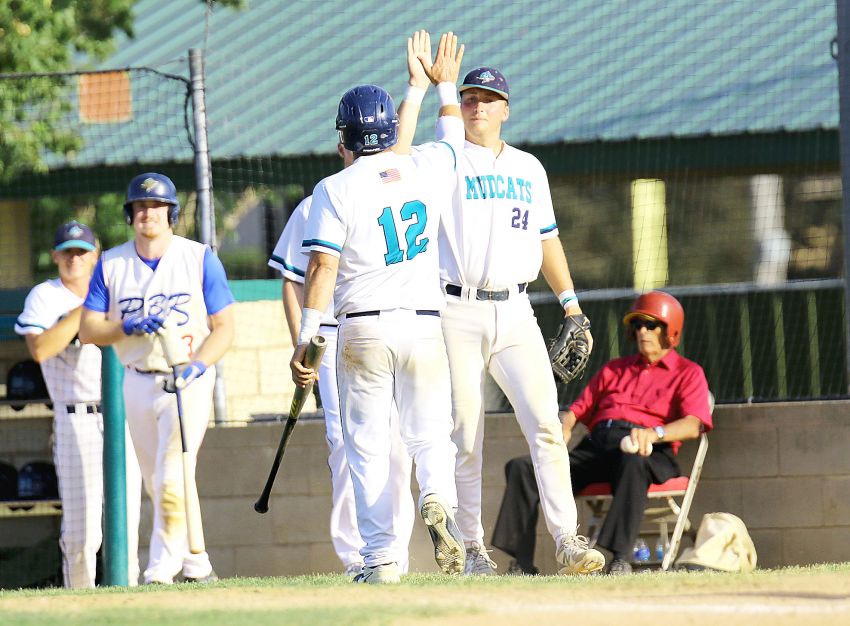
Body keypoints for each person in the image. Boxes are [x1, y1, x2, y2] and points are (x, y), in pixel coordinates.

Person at [290, 33, 466, 585]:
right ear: (390, 132)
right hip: (424, 323)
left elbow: (321, 268)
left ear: (345, 137)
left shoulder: (333, 189)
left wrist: (310, 340)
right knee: (430, 436)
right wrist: (437, 86)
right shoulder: (425, 169)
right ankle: (438, 496)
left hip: (362, 329)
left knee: (366, 448)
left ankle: (382, 558)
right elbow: (452, 137)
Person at [433, 66, 604, 575]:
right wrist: (435, 89)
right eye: (468, 98)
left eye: (488, 99)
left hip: (515, 308)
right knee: (466, 433)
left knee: (547, 426)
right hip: (455, 307)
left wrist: (571, 302)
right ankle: (472, 549)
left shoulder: (529, 168)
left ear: (506, 109)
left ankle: (567, 540)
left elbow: (546, 238)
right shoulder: (446, 160)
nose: (477, 106)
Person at [79, 173, 235, 585]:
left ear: (172, 213)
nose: (148, 213)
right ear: (130, 214)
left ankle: (160, 572)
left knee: (171, 474)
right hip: (137, 378)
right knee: (157, 482)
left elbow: (225, 327)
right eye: (140, 207)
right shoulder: (112, 263)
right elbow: (89, 329)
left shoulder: (199, 257)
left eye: (157, 206)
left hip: (187, 378)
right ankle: (197, 563)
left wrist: (199, 365)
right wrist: (126, 327)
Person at [269, 145, 415, 577]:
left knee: (396, 446)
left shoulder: (400, 191)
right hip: (332, 337)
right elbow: (294, 280)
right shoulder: (319, 200)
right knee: (347, 444)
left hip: (389, 330)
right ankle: (358, 556)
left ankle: (393, 556)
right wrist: (304, 344)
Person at [491, 291, 713, 575]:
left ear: (671, 331)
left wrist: (653, 433)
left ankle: (619, 558)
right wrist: (563, 431)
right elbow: (576, 412)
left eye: (651, 324)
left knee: (634, 463)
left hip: (647, 450)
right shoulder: (614, 369)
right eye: (637, 325)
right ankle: (520, 564)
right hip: (596, 447)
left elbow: (694, 423)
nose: (642, 331)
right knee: (523, 467)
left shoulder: (687, 372)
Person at [14, 221, 142, 588]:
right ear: (55, 256)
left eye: (82, 251)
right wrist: (85, 312)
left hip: (122, 415)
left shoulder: (114, 290)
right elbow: (40, 349)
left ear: (95, 257)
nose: (74, 258)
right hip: (76, 417)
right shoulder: (46, 295)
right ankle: (78, 603)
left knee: (125, 522)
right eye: (67, 251)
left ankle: (130, 605)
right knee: (82, 533)